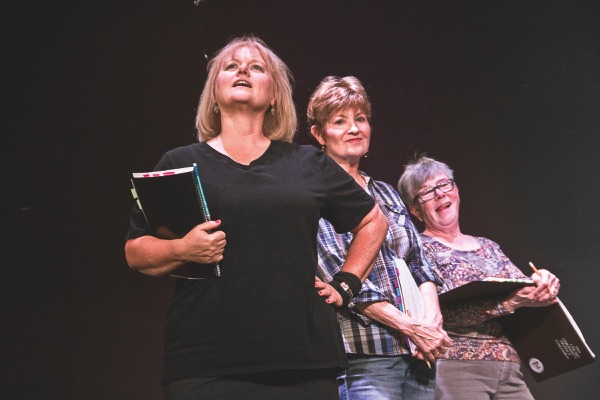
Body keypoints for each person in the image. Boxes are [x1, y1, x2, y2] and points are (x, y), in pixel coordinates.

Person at [124, 37, 389, 400]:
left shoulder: (307, 163)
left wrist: (346, 284)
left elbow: (373, 221)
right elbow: (136, 251)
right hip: (205, 365)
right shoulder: (180, 163)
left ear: (275, 95)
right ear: (213, 93)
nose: (243, 70)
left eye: (257, 67)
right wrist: (182, 248)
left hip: (303, 364)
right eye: (231, 66)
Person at [307, 76, 452, 400]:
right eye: (340, 121)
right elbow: (341, 274)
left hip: (417, 352)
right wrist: (411, 327)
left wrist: (431, 319)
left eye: (360, 119)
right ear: (319, 134)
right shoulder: (316, 195)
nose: (354, 128)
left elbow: (419, 261)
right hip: (365, 355)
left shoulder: (385, 192)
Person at [398, 155, 561, 400]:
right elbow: (437, 315)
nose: (440, 194)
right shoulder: (419, 249)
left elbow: (522, 291)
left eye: (444, 185)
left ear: (456, 191)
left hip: (509, 366)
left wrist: (543, 284)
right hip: (457, 369)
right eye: (427, 192)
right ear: (415, 209)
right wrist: (510, 303)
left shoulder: (488, 246)